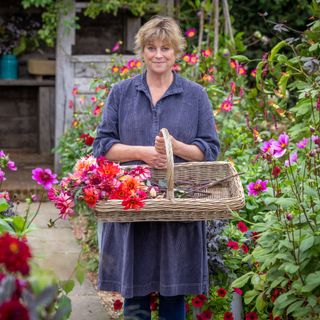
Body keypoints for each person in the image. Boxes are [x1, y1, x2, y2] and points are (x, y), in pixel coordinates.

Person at [93, 15, 220, 320]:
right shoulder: (122, 93)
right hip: (132, 204)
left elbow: (210, 149)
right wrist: (144, 153)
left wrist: (176, 148)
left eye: (165, 47)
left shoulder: (195, 95)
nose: (158, 54)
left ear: (176, 52)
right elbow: (102, 147)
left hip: (177, 207)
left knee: (173, 291)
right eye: (151, 47)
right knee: (134, 290)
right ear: (143, 51)